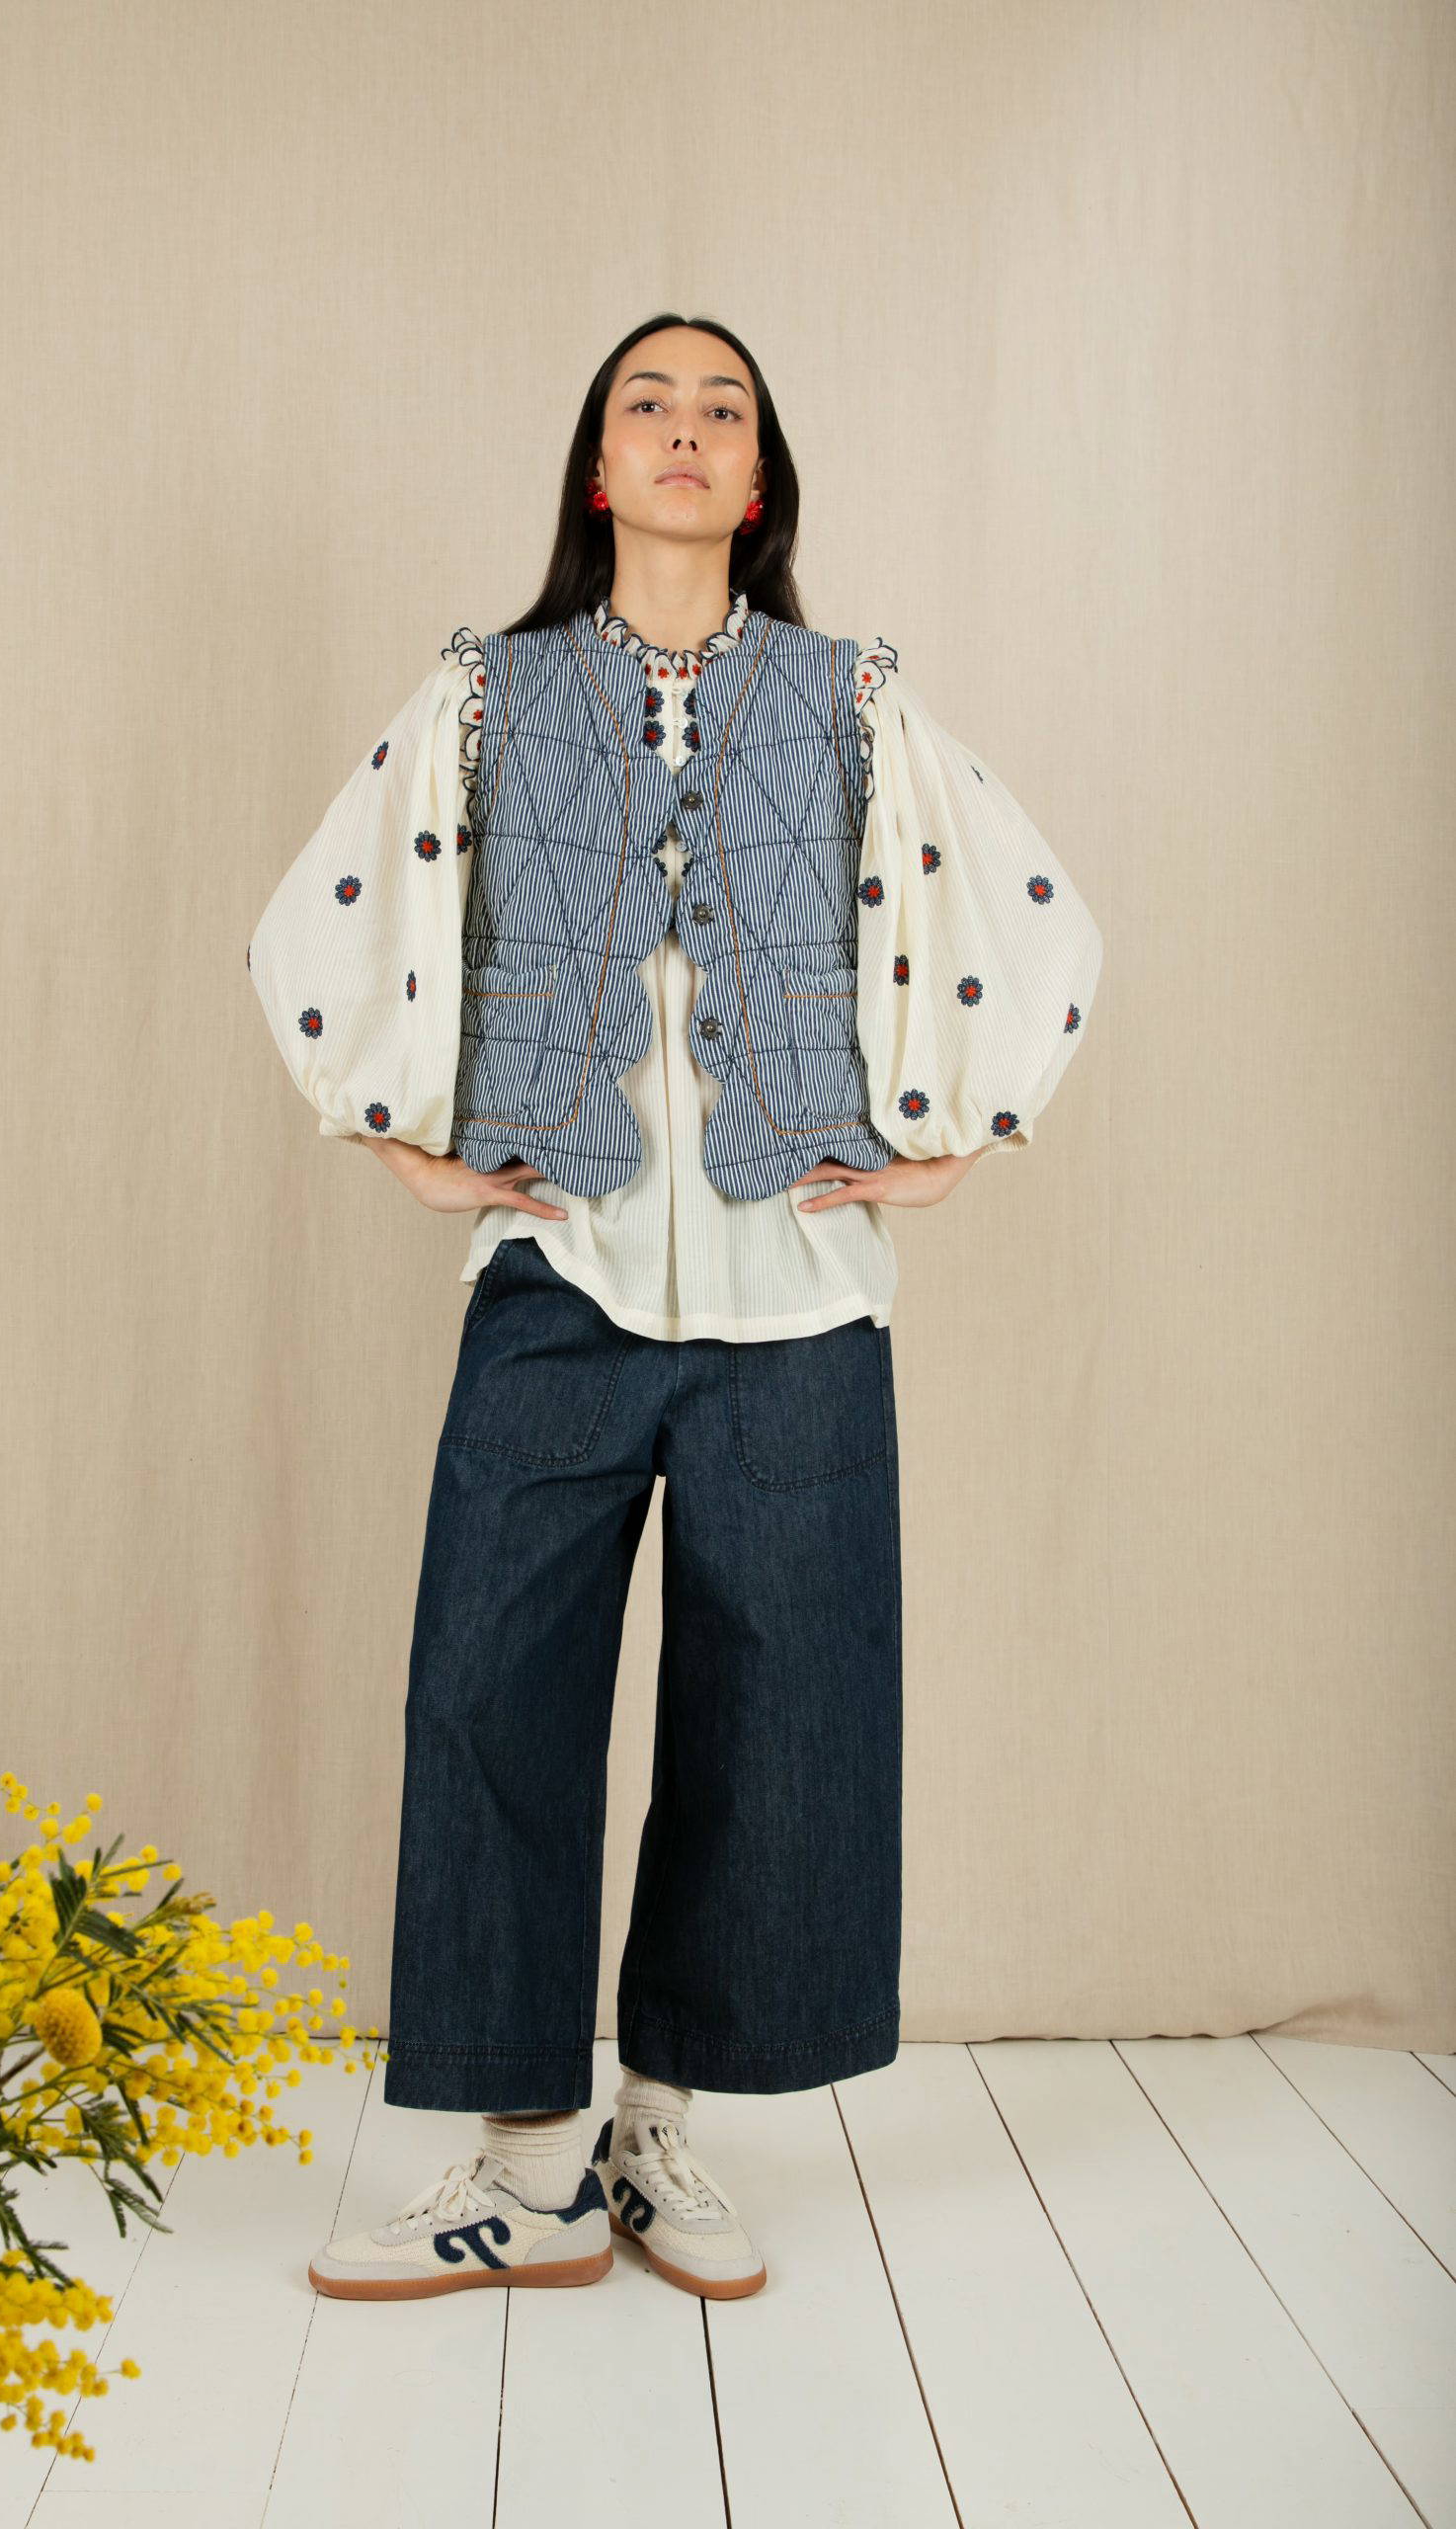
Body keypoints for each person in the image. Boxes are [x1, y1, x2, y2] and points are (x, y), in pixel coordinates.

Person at [248, 313, 1103, 2304]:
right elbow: (330, 913)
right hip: (557, 1266)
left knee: (776, 1719)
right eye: (651, 403)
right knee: (488, 1695)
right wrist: (398, 1141)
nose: (688, 429)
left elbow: (1017, 908)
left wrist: (959, 1138)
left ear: (759, 476)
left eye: (724, 408)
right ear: (598, 466)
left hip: (797, 1288)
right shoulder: (485, 692)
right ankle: (521, 2163)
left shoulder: (847, 694)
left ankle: (658, 2126)